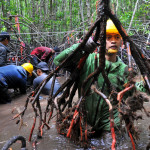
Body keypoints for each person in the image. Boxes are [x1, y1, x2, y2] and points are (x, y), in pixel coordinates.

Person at [53, 19, 146, 148]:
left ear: (121, 42)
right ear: (101, 41)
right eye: (108, 37)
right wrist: (81, 47)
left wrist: (145, 83)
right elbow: (59, 61)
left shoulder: (125, 70)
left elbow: (137, 91)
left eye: (117, 37)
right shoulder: (87, 60)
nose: (113, 41)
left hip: (110, 123)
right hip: (85, 120)